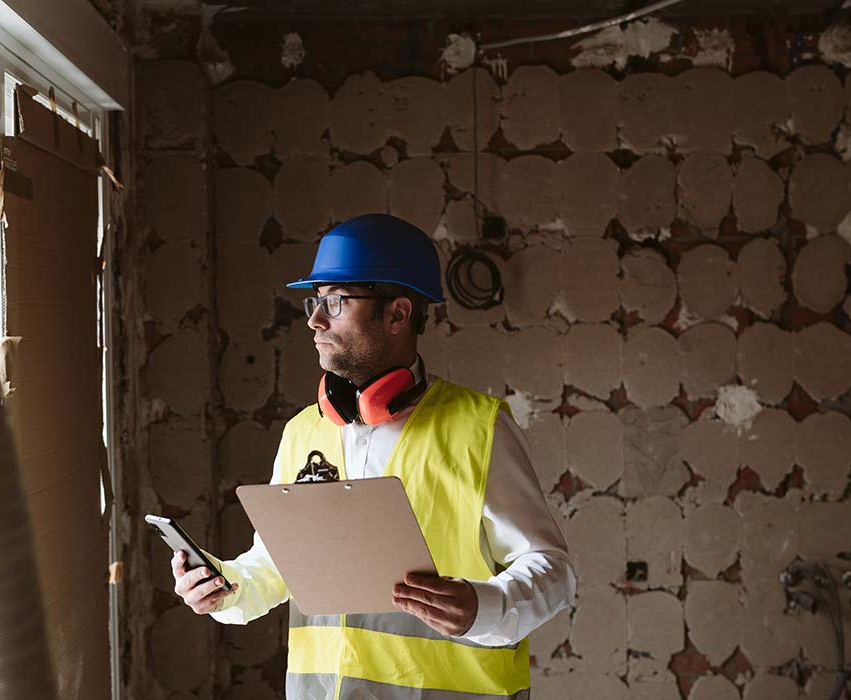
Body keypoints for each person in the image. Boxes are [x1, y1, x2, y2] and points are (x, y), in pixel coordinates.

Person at [170, 213, 576, 699]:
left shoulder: (478, 428)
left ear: (398, 314)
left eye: (336, 302)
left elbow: (552, 571)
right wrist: (224, 587)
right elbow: (275, 567)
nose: (315, 320)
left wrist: (484, 607)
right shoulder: (304, 432)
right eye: (315, 302)